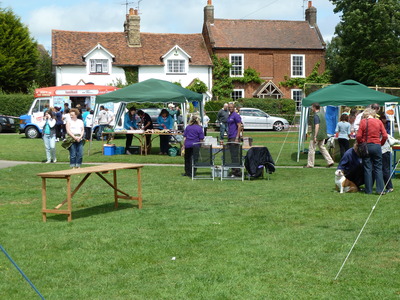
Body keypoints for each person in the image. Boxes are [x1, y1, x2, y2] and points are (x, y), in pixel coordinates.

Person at [356, 108, 388, 194]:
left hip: (366, 145)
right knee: (378, 168)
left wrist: (361, 143)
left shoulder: (363, 122)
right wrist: (380, 143)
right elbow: (385, 136)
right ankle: (380, 189)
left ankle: (368, 190)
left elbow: (358, 136)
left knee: (367, 168)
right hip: (377, 145)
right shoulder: (379, 122)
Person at [304, 103, 334, 168]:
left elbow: (317, 126)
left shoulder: (316, 116)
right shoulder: (322, 115)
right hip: (323, 135)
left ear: (314, 108)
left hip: (317, 135)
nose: (312, 109)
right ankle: (330, 161)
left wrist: (315, 136)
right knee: (322, 148)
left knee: (311, 149)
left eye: (312, 107)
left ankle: (310, 164)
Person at [227, 102, 242, 176]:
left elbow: (239, 126)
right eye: (229, 107)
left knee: (235, 155)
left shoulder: (236, 115)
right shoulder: (229, 115)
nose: (230, 108)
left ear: (234, 107)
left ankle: (237, 172)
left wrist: (237, 137)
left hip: (234, 137)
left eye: (231, 107)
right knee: (231, 155)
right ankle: (233, 171)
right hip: (230, 137)